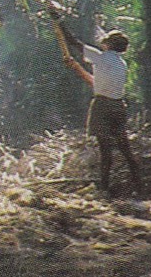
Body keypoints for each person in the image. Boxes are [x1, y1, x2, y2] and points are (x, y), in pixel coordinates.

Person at [52, 12, 144, 194]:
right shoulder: (120, 64)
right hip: (118, 106)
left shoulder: (101, 57)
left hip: (102, 107)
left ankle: (105, 188)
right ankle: (139, 184)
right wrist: (77, 67)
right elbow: (96, 83)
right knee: (124, 148)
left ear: (108, 44)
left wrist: (58, 20)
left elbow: (72, 41)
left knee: (105, 150)